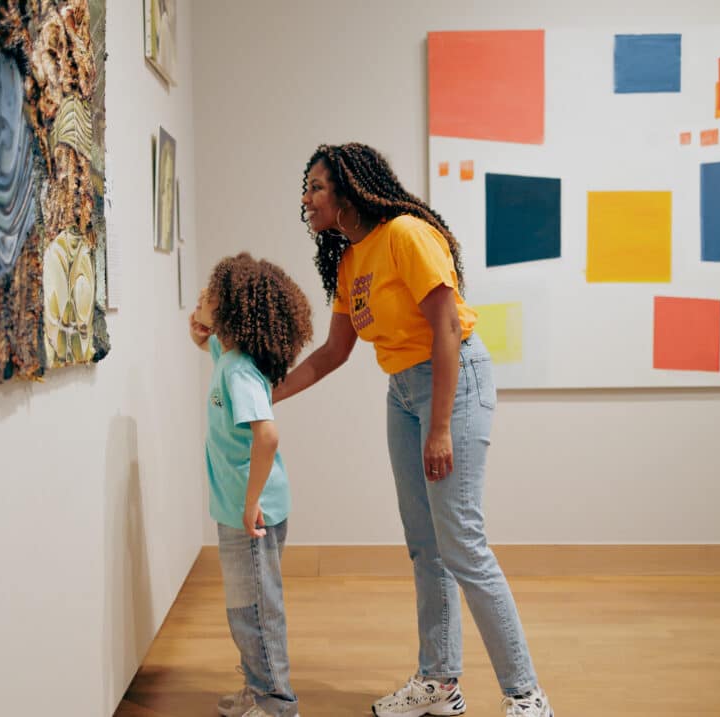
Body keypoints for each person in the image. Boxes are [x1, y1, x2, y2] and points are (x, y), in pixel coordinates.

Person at [272, 144, 554, 717]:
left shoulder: (405, 234)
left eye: (317, 187)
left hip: (453, 381)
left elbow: (447, 326)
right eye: (308, 187)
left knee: (463, 545)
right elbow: (332, 353)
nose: (307, 197)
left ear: (349, 191)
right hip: (402, 392)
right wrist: (265, 393)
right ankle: (440, 682)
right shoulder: (351, 260)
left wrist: (442, 426)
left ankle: (526, 696)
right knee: (426, 547)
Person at [188, 253, 313, 717]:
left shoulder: (239, 372)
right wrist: (201, 330)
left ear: (232, 312)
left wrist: (251, 500)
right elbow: (209, 345)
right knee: (245, 611)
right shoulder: (231, 356)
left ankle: (277, 704)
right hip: (239, 509)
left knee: (257, 613)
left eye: (210, 294)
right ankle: (258, 690)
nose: (201, 296)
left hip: (251, 514)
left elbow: (268, 433)